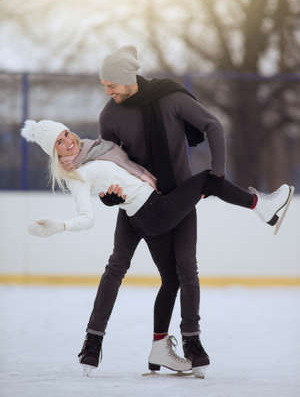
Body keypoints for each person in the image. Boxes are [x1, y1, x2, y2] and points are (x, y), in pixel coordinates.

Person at [22, 119, 293, 374]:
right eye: (59, 142)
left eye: (65, 133)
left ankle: (157, 348)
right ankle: (262, 205)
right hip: (153, 210)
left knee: (172, 279)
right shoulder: (77, 174)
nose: (68, 141)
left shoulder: (95, 150)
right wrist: (61, 225)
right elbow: (86, 218)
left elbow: (123, 171)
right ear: (55, 154)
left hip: (146, 208)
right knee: (209, 179)